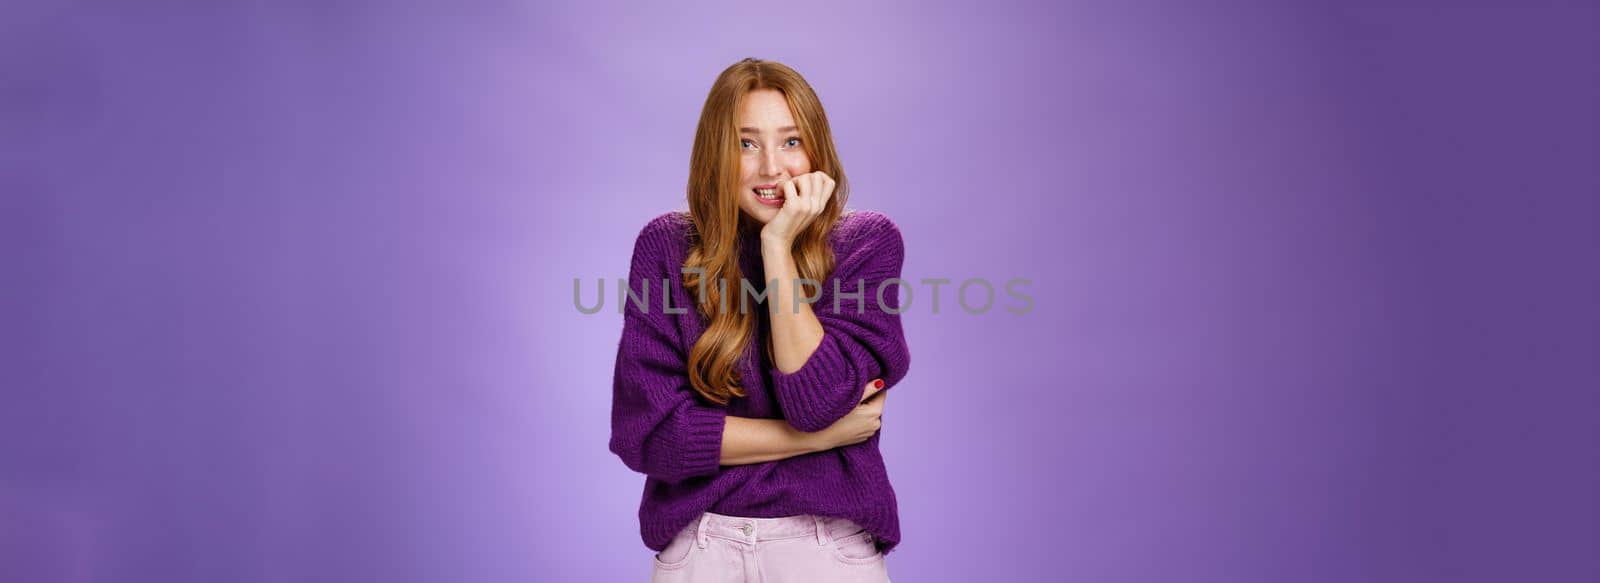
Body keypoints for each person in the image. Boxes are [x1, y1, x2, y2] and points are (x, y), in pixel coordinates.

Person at [608, 57, 911, 582]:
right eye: (746, 144)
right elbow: (651, 436)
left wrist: (777, 247)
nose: (772, 167)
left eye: (791, 141)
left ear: (817, 148)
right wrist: (815, 440)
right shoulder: (666, 247)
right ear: (716, 157)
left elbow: (815, 402)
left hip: (827, 550)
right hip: (701, 552)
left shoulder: (866, 243)